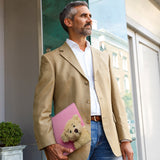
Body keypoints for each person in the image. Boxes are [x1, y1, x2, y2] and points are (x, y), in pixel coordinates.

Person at [33, 1, 134, 160]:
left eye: (90, 16)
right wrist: (48, 144)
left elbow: (116, 101)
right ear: (69, 22)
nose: (89, 19)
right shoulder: (51, 60)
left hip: (108, 135)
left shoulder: (103, 57)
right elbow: (41, 109)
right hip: (74, 136)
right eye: (83, 16)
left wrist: (125, 138)